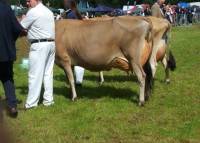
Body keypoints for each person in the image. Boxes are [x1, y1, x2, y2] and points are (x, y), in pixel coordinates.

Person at [20, 0, 55, 109]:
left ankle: (31, 103)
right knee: (48, 74)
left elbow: (20, 27)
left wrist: (22, 19)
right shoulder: (49, 11)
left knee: (34, 75)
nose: (27, 3)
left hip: (39, 45)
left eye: (29, 0)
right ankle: (48, 101)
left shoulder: (33, 12)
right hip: (51, 44)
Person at [0, 0, 24, 117]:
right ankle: (12, 105)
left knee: (7, 77)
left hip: (5, 50)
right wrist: (10, 41)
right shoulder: (7, 8)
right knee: (7, 78)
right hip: (5, 51)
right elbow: (17, 29)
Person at [63, 0, 85, 86]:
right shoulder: (76, 12)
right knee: (79, 60)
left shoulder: (70, 14)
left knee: (72, 60)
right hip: (80, 39)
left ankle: (72, 79)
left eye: (65, 2)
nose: (64, 3)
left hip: (72, 39)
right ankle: (78, 80)